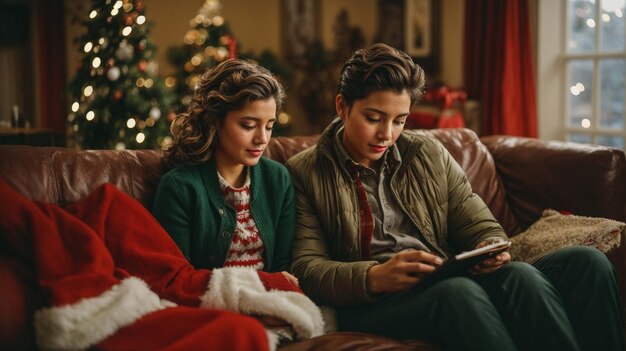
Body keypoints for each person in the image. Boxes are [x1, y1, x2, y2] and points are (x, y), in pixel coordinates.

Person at [285, 43, 624, 351]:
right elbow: (307, 268)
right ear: (342, 107)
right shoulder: (304, 172)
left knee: (583, 262)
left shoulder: (428, 153)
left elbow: (479, 224)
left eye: (399, 120)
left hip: (441, 278)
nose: (386, 134)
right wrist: (374, 276)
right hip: (370, 303)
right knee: (456, 294)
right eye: (373, 118)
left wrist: (489, 246)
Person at [152, 59, 297, 286]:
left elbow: (283, 268)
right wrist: (264, 282)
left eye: (269, 126)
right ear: (215, 121)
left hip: (272, 303)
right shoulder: (179, 188)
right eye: (248, 125)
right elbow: (178, 280)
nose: (262, 139)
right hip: (211, 306)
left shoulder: (278, 179)